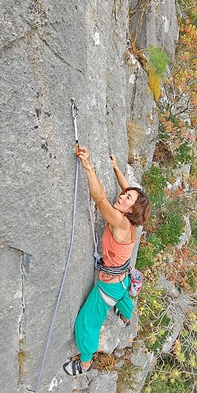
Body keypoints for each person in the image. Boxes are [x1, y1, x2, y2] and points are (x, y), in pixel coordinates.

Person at [63, 146, 151, 376]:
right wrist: (116, 168)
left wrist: (89, 166)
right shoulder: (132, 222)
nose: (121, 196)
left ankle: (85, 362)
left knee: (86, 323)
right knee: (123, 295)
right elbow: (129, 190)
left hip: (108, 285)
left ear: (131, 209)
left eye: (127, 198)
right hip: (122, 279)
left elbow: (100, 199)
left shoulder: (120, 223)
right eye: (124, 194)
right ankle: (126, 314)